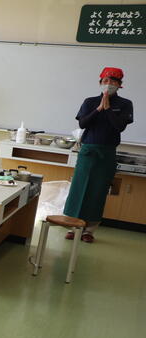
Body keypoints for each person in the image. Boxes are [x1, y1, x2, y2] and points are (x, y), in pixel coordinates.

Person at [64, 66, 134, 243]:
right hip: (88, 151)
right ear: (100, 82)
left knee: (98, 191)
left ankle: (89, 230)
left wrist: (108, 109)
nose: (109, 84)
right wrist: (98, 109)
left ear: (119, 85)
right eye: (106, 81)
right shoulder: (89, 101)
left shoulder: (125, 104)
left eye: (113, 81)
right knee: (79, 188)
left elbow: (119, 127)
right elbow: (82, 124)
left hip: (107, 152)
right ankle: (73, 226)